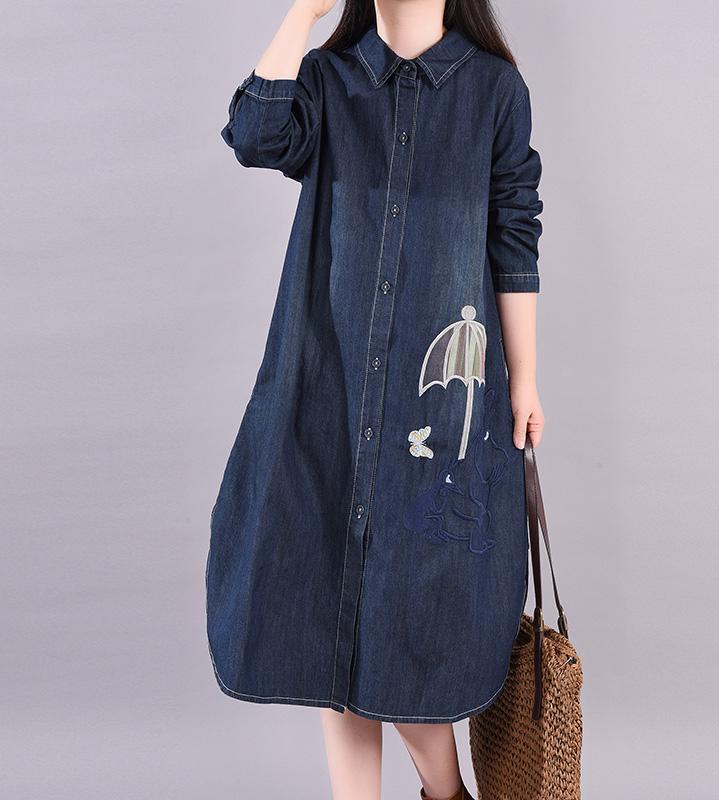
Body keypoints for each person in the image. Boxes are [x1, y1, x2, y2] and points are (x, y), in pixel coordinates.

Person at [206, 1, 545, 798]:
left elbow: (514, 232)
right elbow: (254, 135)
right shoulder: (328, 80)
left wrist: (526, 377)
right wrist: (303, 11)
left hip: (435, 420)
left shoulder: (494, 92)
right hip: (325, 397)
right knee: (331, 626)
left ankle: (446, 793)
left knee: (407, 633)